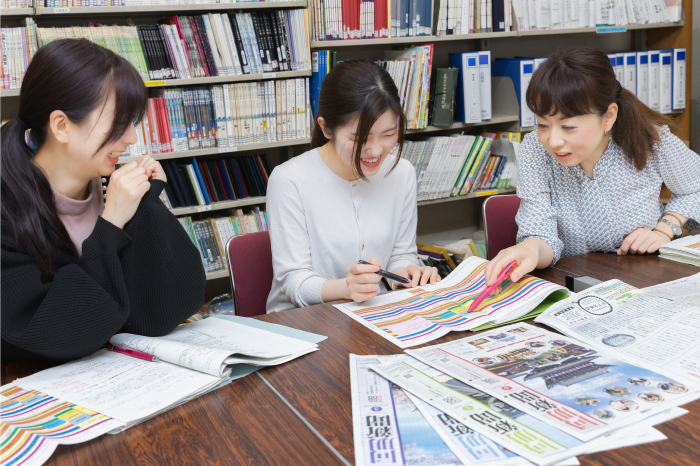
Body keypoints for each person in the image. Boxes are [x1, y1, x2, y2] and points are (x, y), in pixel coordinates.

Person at [1, 39, 206, 362]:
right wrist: (111, 225)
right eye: (118, 122)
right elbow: (48, 333)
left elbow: (170, 308)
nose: (132, 138)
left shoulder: (107, 185)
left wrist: (148, 204)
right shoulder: (6, 209)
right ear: (61, 126)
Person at [485, 47, 700, 288]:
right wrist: (531, 247)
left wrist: (665, 229)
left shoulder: (651, 139)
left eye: (568, 127)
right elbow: (541, 233)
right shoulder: (535, 148)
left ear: (608, 117)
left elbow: (695, 187)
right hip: (575, 283)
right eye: (543, 125)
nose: (553, 141)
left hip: (646, 278)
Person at [266, 59, 439, 313]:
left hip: (374, 315)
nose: (376, 151)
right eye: (360, 138)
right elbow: (294, 282)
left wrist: (408, 275)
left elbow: (401, 255)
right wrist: (345, 289)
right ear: (326, 128)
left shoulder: (402, 173)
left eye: (389, 134)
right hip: (303, 322)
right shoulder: (289, 180)